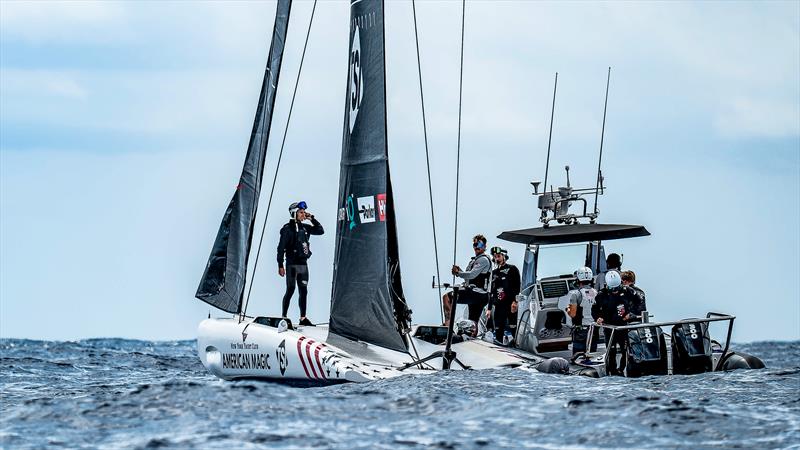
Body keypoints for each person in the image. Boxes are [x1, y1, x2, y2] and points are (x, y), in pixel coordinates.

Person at [277, 201, 324, 326]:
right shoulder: (287, 229)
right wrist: (280, 265)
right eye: (301, 212)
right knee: (291, 289)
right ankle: (284, 317)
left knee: (303, 290)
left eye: (304, 212)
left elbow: (320, 230)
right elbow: (280, 248)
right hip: (291, 264)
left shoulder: (305, 228)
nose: (303, 214)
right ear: (294, 213)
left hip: (303, 264)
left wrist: (311, 218)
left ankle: (303, 318)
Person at [592, 270, 639, 374]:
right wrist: (598, 318)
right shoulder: (601, 295)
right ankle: (612, 371)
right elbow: (594, 309)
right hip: (609, 327)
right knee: (611, 351)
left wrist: (630, 314)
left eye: (617, 288)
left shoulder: (628, 291)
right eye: (612, 289)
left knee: (625, 350)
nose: (615, 291)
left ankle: (623, 369)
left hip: (623, 326)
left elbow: (638, 302)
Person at [442, 234, 492, 326]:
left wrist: (458, 273)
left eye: (480, 245)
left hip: (477, 294)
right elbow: (469, 278)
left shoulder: (483, 259)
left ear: (485, 247)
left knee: (447, 298)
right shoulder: (474, 261)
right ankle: (471, 338)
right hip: (480, 295)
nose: (477, 247)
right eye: (475, 244)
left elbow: (472, 275)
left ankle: (448, 326)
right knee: (473, 321)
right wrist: (460, 271)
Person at [486, 246, 521, 346]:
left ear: (504, 256)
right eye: (495, 257)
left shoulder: (512, 269)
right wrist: (489, 309)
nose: (497, 258)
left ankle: (517, 346)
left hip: (510, 304)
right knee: (498, 329)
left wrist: (515, 301)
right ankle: (499, 349)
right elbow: (491, 291)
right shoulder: (494, 273)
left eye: (498, 256)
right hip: (499, 306)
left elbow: (517, 286)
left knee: (513, 327)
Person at [565, 266, 599, 355]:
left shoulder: (576, 294)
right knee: (592, 356)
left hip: (581, 331)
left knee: (578, 358)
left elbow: (572, 314)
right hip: (594, 330)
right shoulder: (596, 293)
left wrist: (568, 309)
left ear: (578, 279)